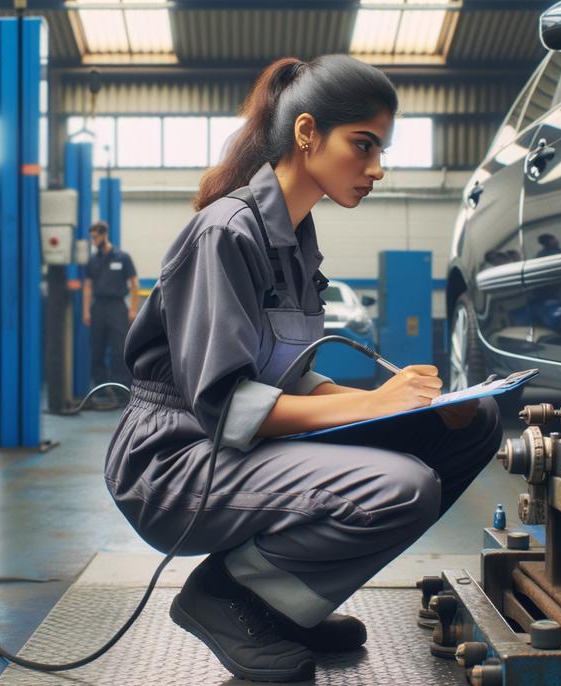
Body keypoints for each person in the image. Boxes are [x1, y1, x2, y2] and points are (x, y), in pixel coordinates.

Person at [103, 55, 502, 682]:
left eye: (382, 149)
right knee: (400, 487)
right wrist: (373, 405)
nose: (377, 168)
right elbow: (230, 408)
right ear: (308, 133)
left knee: (469, 424)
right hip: (176, 460)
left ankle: (287, 606)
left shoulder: (295, 241)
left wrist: (402, 404)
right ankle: (231, 599)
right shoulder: (227, 233)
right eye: (363, 145)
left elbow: (286, 374)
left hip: (230, 445)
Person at [83, 221, 139, 397]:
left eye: (95, 237)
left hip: (117, 307)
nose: (93, 241)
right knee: (97, 348)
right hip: (98, 307)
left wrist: (133, 309)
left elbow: (134, 284)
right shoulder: (92, 260)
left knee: (118, 349)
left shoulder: (122, 257)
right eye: (91, 237)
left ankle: (120, 390)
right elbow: (88, 285)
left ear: (104, 235)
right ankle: (100, 389)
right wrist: (86, 310)